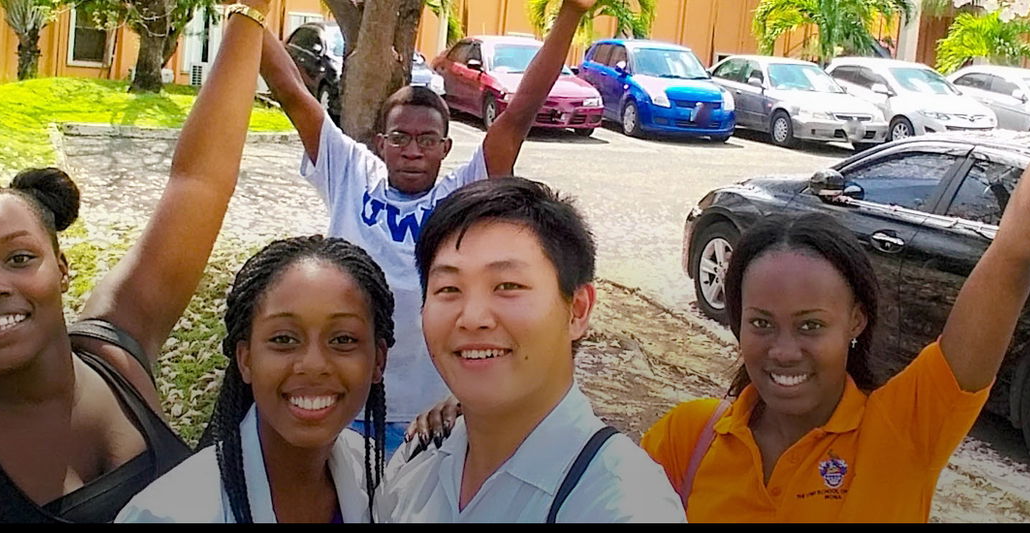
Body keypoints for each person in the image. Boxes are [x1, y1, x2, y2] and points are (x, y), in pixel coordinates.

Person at [638, 0, 1030, 522]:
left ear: (857, 322)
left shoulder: (905, 428)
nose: (783, 350)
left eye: (812, 325)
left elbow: (1015, 254)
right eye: (761, 322)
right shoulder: (685, 441)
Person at [0, 0, 276, 522]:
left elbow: (198, 182)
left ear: (62, 269)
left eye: (19, 257)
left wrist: (250, 13)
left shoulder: (117, 356)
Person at [258, 0, 599, 453]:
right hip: (345, 405)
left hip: (432, 416)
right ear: (381, 143)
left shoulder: (462, 196)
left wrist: (572, 13)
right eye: (399, 137)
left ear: (446, 147)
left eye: (427, 140)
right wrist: (246, 14)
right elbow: (291, 91)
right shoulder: (349, 172)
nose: (412, 150)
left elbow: (518, 115)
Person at [377, 177, 685, 523]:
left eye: (508, 286)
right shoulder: (419, 458)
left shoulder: (621, 505)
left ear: (577, 310)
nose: (473, 318)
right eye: (448, 288)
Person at [116, 236, 395, 523]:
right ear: (245, 359)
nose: (313, 365)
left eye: (343, 339)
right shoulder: (167, 514)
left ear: (378, 360)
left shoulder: (378, 476)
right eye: (284, 339)